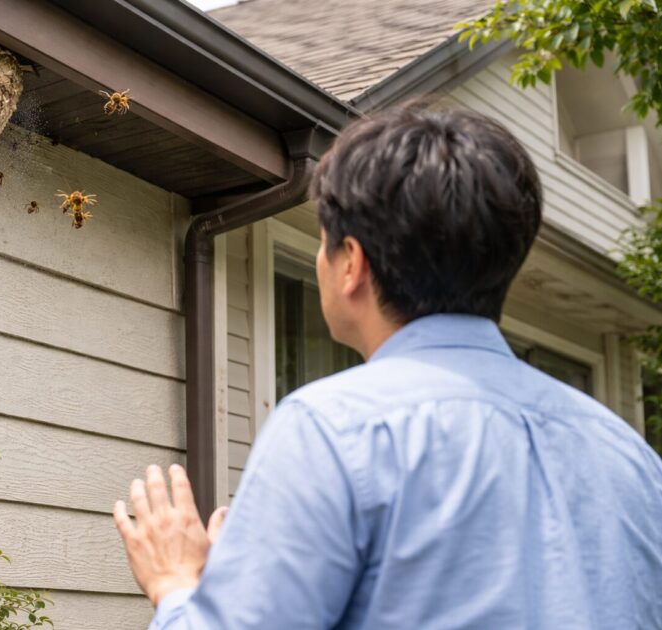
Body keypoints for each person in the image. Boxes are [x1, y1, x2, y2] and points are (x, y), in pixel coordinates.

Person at [112, 106, 662, 629]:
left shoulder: (334, 429)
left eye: (325, 243)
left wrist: (177, 586)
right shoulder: (630, 457)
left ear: (351, 262)